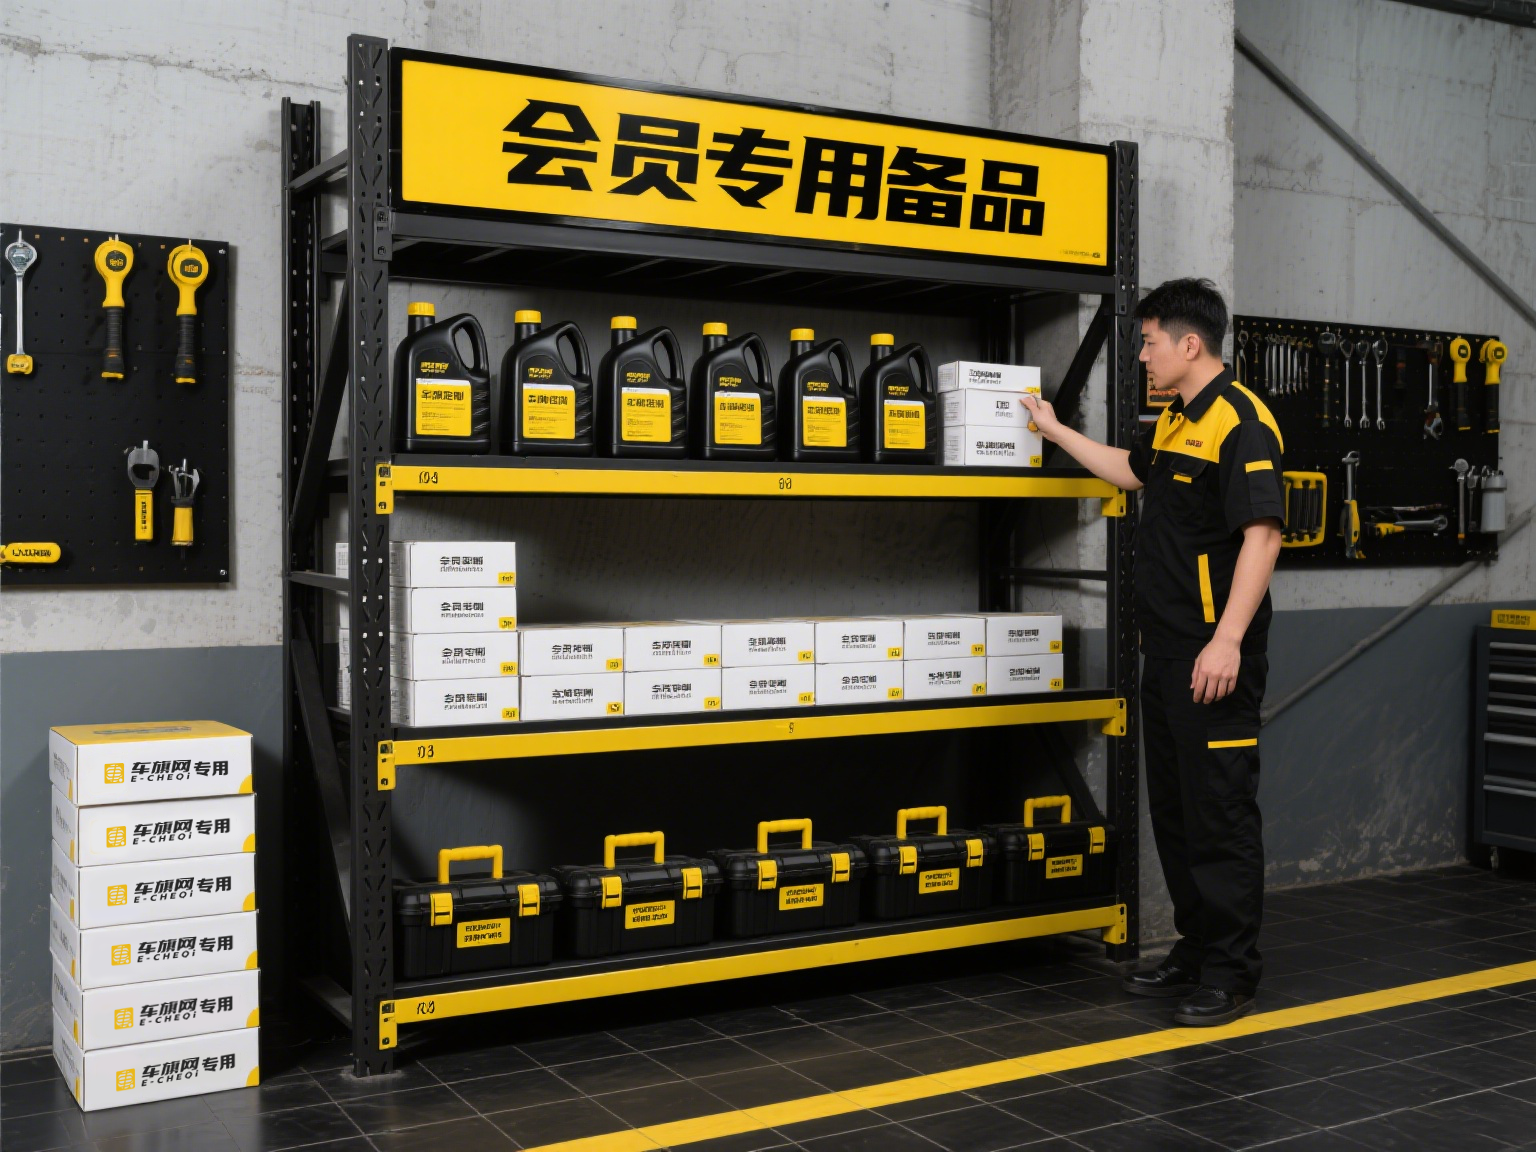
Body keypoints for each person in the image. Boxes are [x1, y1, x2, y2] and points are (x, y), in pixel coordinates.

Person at [1021, 278, 1283, 1026]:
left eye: (1149, 341)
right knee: (1175, 811)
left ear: (1190, 344)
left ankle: (1230, 973)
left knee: (1219, 813)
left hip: (1213, 655)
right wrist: (1055, 431)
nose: (1142, 355)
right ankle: (1196, 951)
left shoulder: (1242, 421)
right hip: (1165, 651)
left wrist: (1227, 640)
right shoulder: (1174, 420)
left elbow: (1264, 536)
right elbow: (1130, 471)